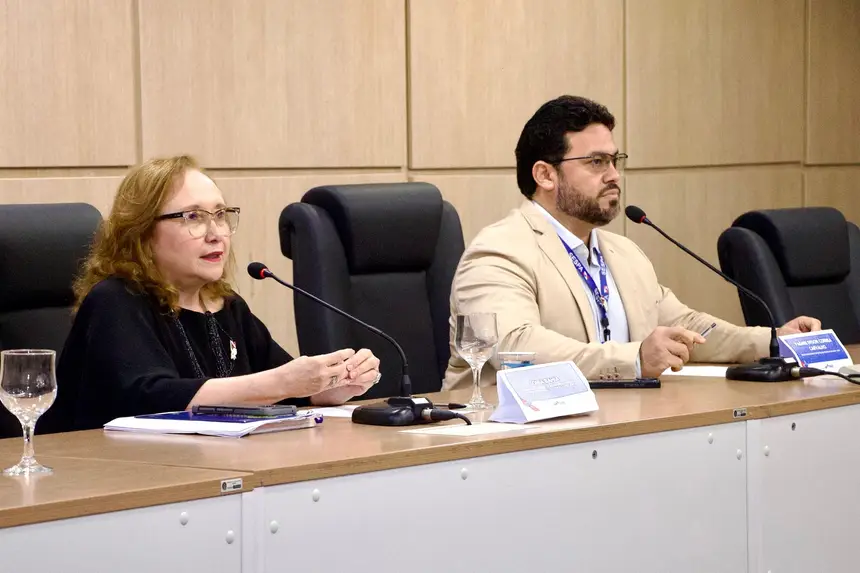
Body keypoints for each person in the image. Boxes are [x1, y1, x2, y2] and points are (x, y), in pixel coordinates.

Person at [443, 95, 820, 389]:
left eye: (615, 160)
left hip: (612, 427)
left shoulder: (622, 252)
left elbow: (684, 325)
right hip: (512, 441)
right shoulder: (498, 252)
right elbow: (516, 346)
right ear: (545, 175)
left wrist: (772, 341)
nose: (614, 176)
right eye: (596, 162)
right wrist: (634, 359)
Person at [59, 156, 381, 430]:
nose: (216, 234)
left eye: (220, 215)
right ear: (141, 232)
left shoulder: (226, 306)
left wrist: (331, 384)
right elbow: (151, 400)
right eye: (193, 217)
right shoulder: (116, 300)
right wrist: (284, 382)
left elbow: (283, 386)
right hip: (119, 472)